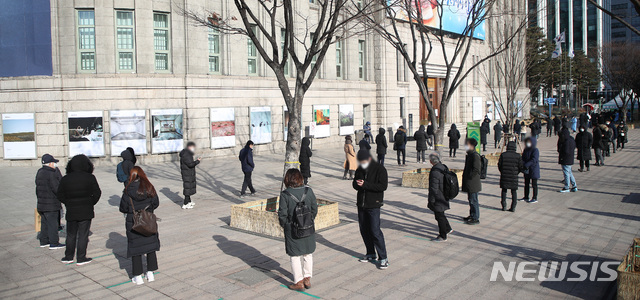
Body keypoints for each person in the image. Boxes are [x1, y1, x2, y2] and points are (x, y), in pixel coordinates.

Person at [278, 169, 318, 291]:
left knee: (294, 255)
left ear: (287, 179)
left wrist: (285, 225)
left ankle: (298, 281)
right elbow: (314, 209)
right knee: (308, 253)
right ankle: (307, 278)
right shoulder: (308, 191)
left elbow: (282, 214)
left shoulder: (285, 194)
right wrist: (309, 220)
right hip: (308, 227)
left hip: (292, 228)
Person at [119, 167, 160, 285]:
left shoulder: (127, 191)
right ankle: (151, 273)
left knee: (136, 249)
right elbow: (156, 203)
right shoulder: (149, 187)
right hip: (148, 221)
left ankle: (138, 276)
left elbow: (122, 208)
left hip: (134, 223)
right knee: (150, 246)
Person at [58, 155, 101, 265]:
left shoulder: (65, 179)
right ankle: (81, 257)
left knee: (71, 235)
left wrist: (68, 202)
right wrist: (90, 202)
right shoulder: (90, 177)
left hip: (71, 210)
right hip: (86, 210)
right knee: (83, 234)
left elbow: (60, 195)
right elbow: (97, 193)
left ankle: (68, 256)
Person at [352, 150, 389, 270]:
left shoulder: (379, 169)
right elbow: (354, 184)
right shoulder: (360, 169)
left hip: (374, 204)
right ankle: (370, 253)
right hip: (361, 204)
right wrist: (357, 184)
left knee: (375, 231)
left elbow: (383, 186)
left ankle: (383, 258)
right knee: (364, 229)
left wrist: (366, 185)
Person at [36, 154, 64, 249]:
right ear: (50, 163)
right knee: (53, 224)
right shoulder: (51, 173)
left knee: (44, 223)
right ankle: (54, 243)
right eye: (54, 162)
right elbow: (56, 188)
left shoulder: (40, 172)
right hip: (51, 204)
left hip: (41, 203)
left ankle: (44, 241)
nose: (55, 164)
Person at [427, 153, 452, 241]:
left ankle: (442, 235)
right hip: (444, 194)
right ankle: (448, 228)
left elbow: (434, 188)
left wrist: (432, 200)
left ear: (431, 161)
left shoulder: (435, 172)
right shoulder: (443, 167)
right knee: (441, 213)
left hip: (438, 197)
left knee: (439, 216)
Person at [498, 141, 524, 212]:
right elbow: (520, 167)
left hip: (504, 175)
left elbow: (499, 165)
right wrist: (516, 173)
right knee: (514, 191)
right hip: (514, 176)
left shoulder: (503, 155)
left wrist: (502, 172)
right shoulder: (518, 156)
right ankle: (513, 207)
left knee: (504, 190)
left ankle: (503, 205)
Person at [462, 138, 482, 225]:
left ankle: (475, 217)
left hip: (473, 182)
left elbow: (476, 169)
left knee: (474, 200)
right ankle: (472, 215)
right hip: (470, 182)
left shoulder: (475, 156)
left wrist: (470, 176)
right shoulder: (470, 155)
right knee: (471, 199)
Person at [179, 142, 201, 208]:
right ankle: (185, 203)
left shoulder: (186, 153)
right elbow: (190, 164)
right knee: (187, 188)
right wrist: (197, 161)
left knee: (189, 187)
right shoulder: (187, 155)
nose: (193, 148)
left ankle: (189, 201)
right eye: (193, 147)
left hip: (187, 173)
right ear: (189, 147)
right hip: (187, 173)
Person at [557, 129, 578, 193]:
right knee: (569, 172)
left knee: (566, 173)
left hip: (565, 159)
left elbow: (565, 151)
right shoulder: (571, 139)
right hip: (570, 158)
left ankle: (567, 187)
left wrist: (561, 150)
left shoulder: (565, 141)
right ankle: (574, 186)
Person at [521, 137, 540, 203]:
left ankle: (534, 197)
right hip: (526, 169)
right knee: (526, 183)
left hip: (533, 169)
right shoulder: (526, 149)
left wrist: (527, 164)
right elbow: (522, 158)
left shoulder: (535, 150)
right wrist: (523, 164)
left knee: (534, 184)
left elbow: (534, 159)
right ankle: (526, 196)